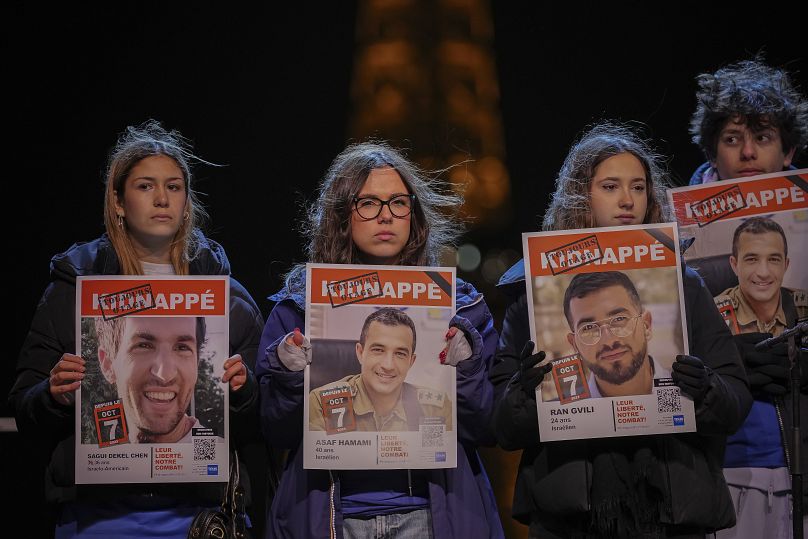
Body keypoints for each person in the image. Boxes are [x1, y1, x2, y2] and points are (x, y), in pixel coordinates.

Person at [491, 122, 752, 538]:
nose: (628, 200)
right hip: (571, 522)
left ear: (646, 322)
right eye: (610, 187)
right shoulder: (531, 293)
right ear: (582, 195)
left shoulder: (685, 282)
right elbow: (501, 429)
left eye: (638, 186)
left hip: (672, 515)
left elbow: (736, 401)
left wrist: (705, 389)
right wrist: (523, 392)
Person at [8, 120, 265, 538]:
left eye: (174, 186)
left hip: (198, 517)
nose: (162, 199)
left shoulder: (226, 296)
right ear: (119, 200)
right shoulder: (72, 289)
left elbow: (266, 420)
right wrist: (52, 395)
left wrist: (245, 390)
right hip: (96, 518)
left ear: (186, 200)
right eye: (146, 186)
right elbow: (25, 408)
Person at [257, 141, 503, 538]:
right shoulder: (297, 310)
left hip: (432, 516)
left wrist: (467, 368)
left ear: (413, 214)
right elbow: (276, 433)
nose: (385, 216)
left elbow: (488, 428)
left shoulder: (462, 310)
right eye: (368, 203)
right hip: (334, 519)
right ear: (342, 214)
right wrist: (288, 374)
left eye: (398, 203)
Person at [709, 216, 808, 538]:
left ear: (786, 264)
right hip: (732, 474)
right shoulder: (709, 315)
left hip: (799, 475)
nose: (763, 272)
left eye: (773, 260)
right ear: (734, 264)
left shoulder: (805, 310)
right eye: (752, 259)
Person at [308, 308, 453, 432]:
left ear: (411, 361)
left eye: (400, 354)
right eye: (378, 350)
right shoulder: (323, 403)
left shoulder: (435, 409)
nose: (388, 365)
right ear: (360, 353)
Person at [94, 316, 215, 444]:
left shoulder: (224, 458)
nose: (165, 375)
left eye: (182, 348)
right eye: (144, 346)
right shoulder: (92, 461)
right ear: (107, 364)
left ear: (197, 363)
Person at [689, 57, 808, 185]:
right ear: (711, 156)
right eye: (732, 140)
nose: (748, 152)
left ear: (788, 153)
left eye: (762, 138)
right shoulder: (674, 205)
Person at [563, 271, 670, 398]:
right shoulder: (560, 414)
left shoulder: (689, 394)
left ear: (646, 325)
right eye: (589, 327)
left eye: (619, 319)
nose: (608, 340)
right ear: (574, 344)